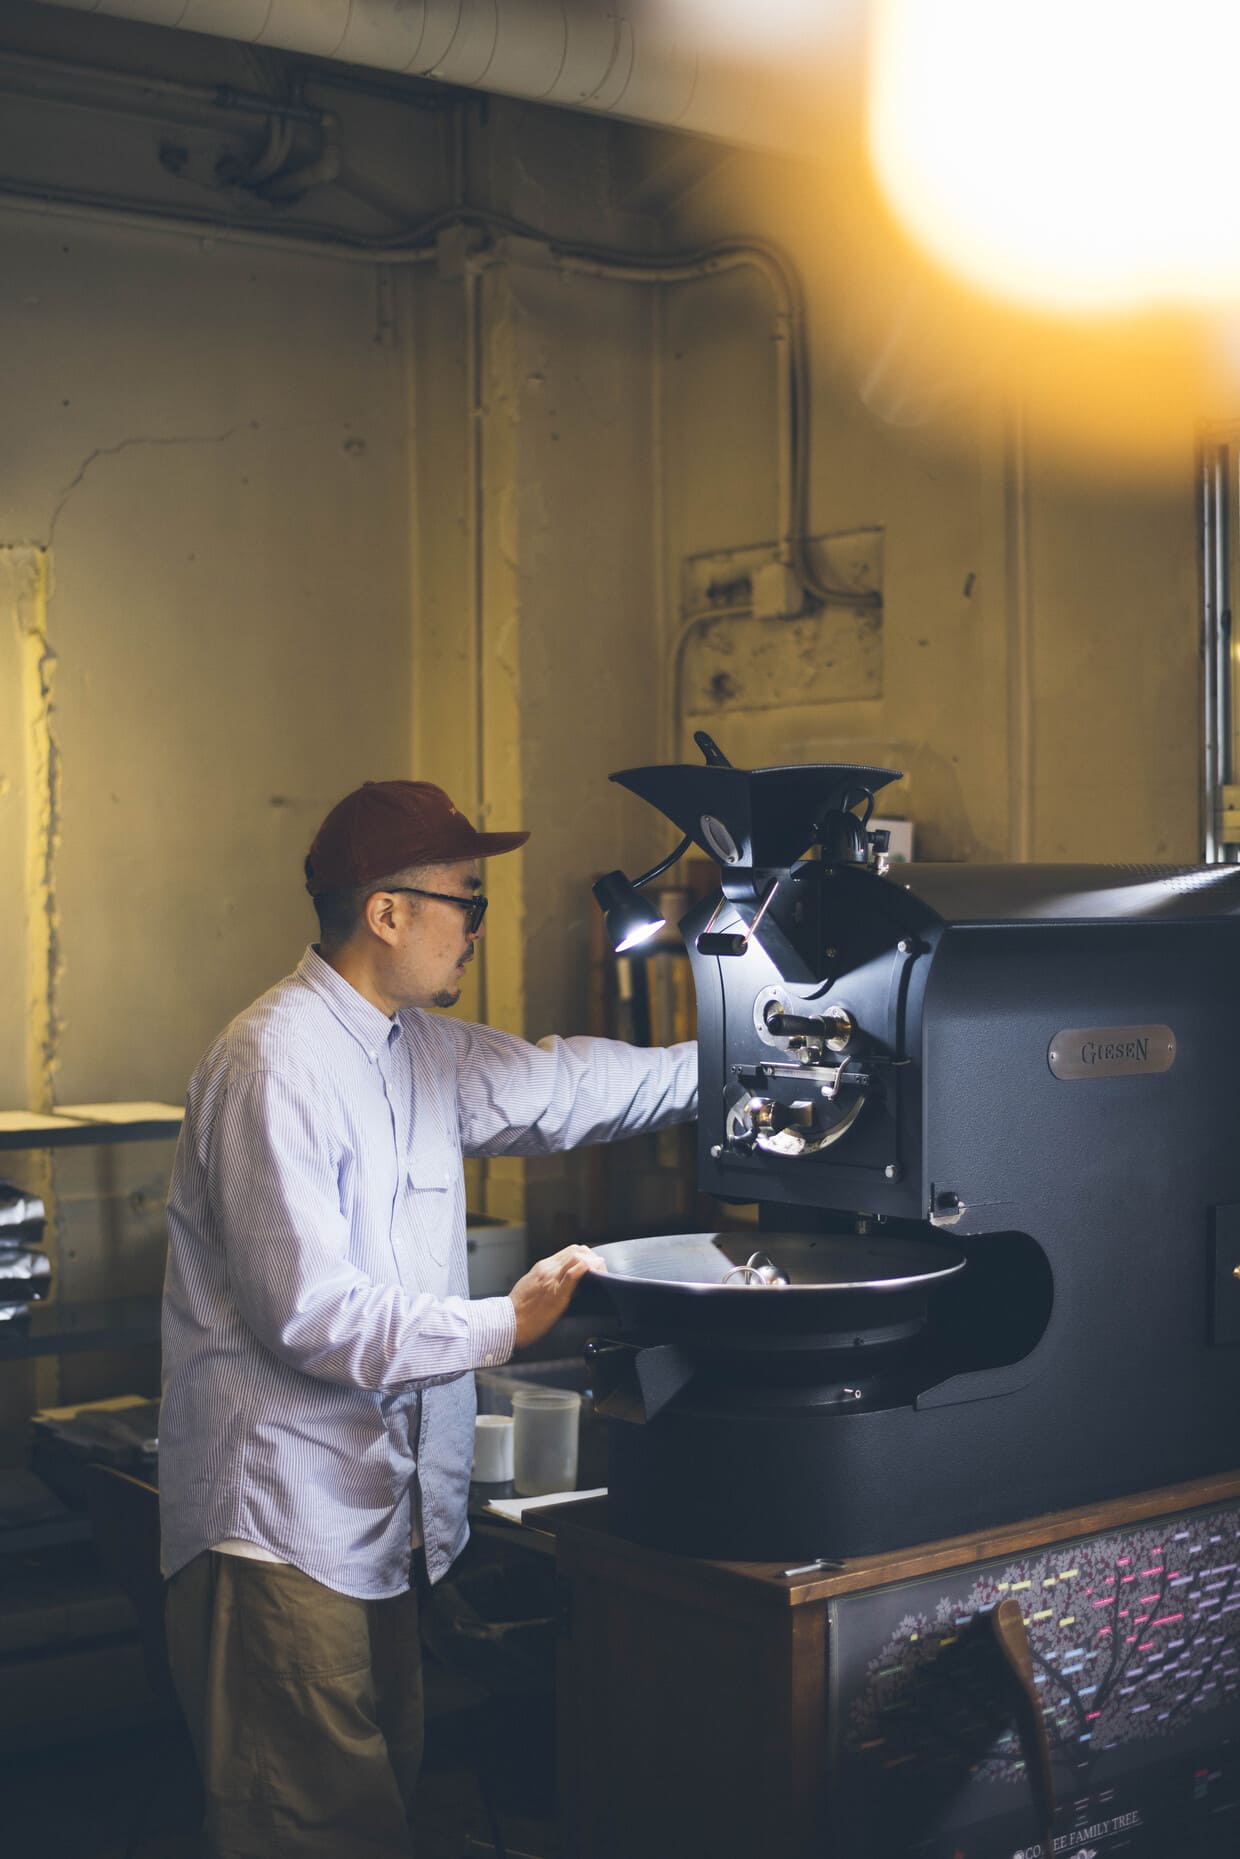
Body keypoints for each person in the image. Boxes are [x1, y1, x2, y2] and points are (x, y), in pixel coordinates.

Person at [159, 778, 697, 1857]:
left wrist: (736, 1062)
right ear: (387, 912)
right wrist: (507, 1320)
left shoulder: (415, 1046)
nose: (478, 928)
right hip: (283, 1530)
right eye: (467, 900)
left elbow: (563, 1085)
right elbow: (312, 1316)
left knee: (372, 1809)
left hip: (375, 1529)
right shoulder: (278, 1061)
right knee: (309, 1828)